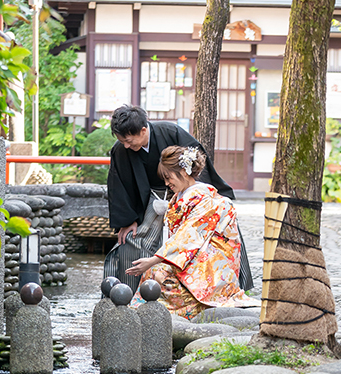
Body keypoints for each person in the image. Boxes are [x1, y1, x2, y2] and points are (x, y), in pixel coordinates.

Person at [104, 105, 252, 292]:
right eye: (122, 141)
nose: (126, 146)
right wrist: (127, 220)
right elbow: (118, 184)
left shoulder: (171, 132)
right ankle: (130, 292)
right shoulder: (121, 150)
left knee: (218, 233)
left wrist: (194, 196)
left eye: (128, 140)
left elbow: (196, 166)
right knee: (132, 241)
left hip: (187, 193)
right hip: (149, 198)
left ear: (142, 130)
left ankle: (235, 287)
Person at [126, 145, 258, 320]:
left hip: (210, 262)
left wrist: (153, 260)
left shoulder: (205, 200)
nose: (166, 183)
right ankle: (151, 313)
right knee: (155, 273)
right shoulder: (181, 196)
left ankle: (177, 312)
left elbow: (187, 237)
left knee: (160, 275)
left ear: (184, 171)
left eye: (168, 177)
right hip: (193, 255)